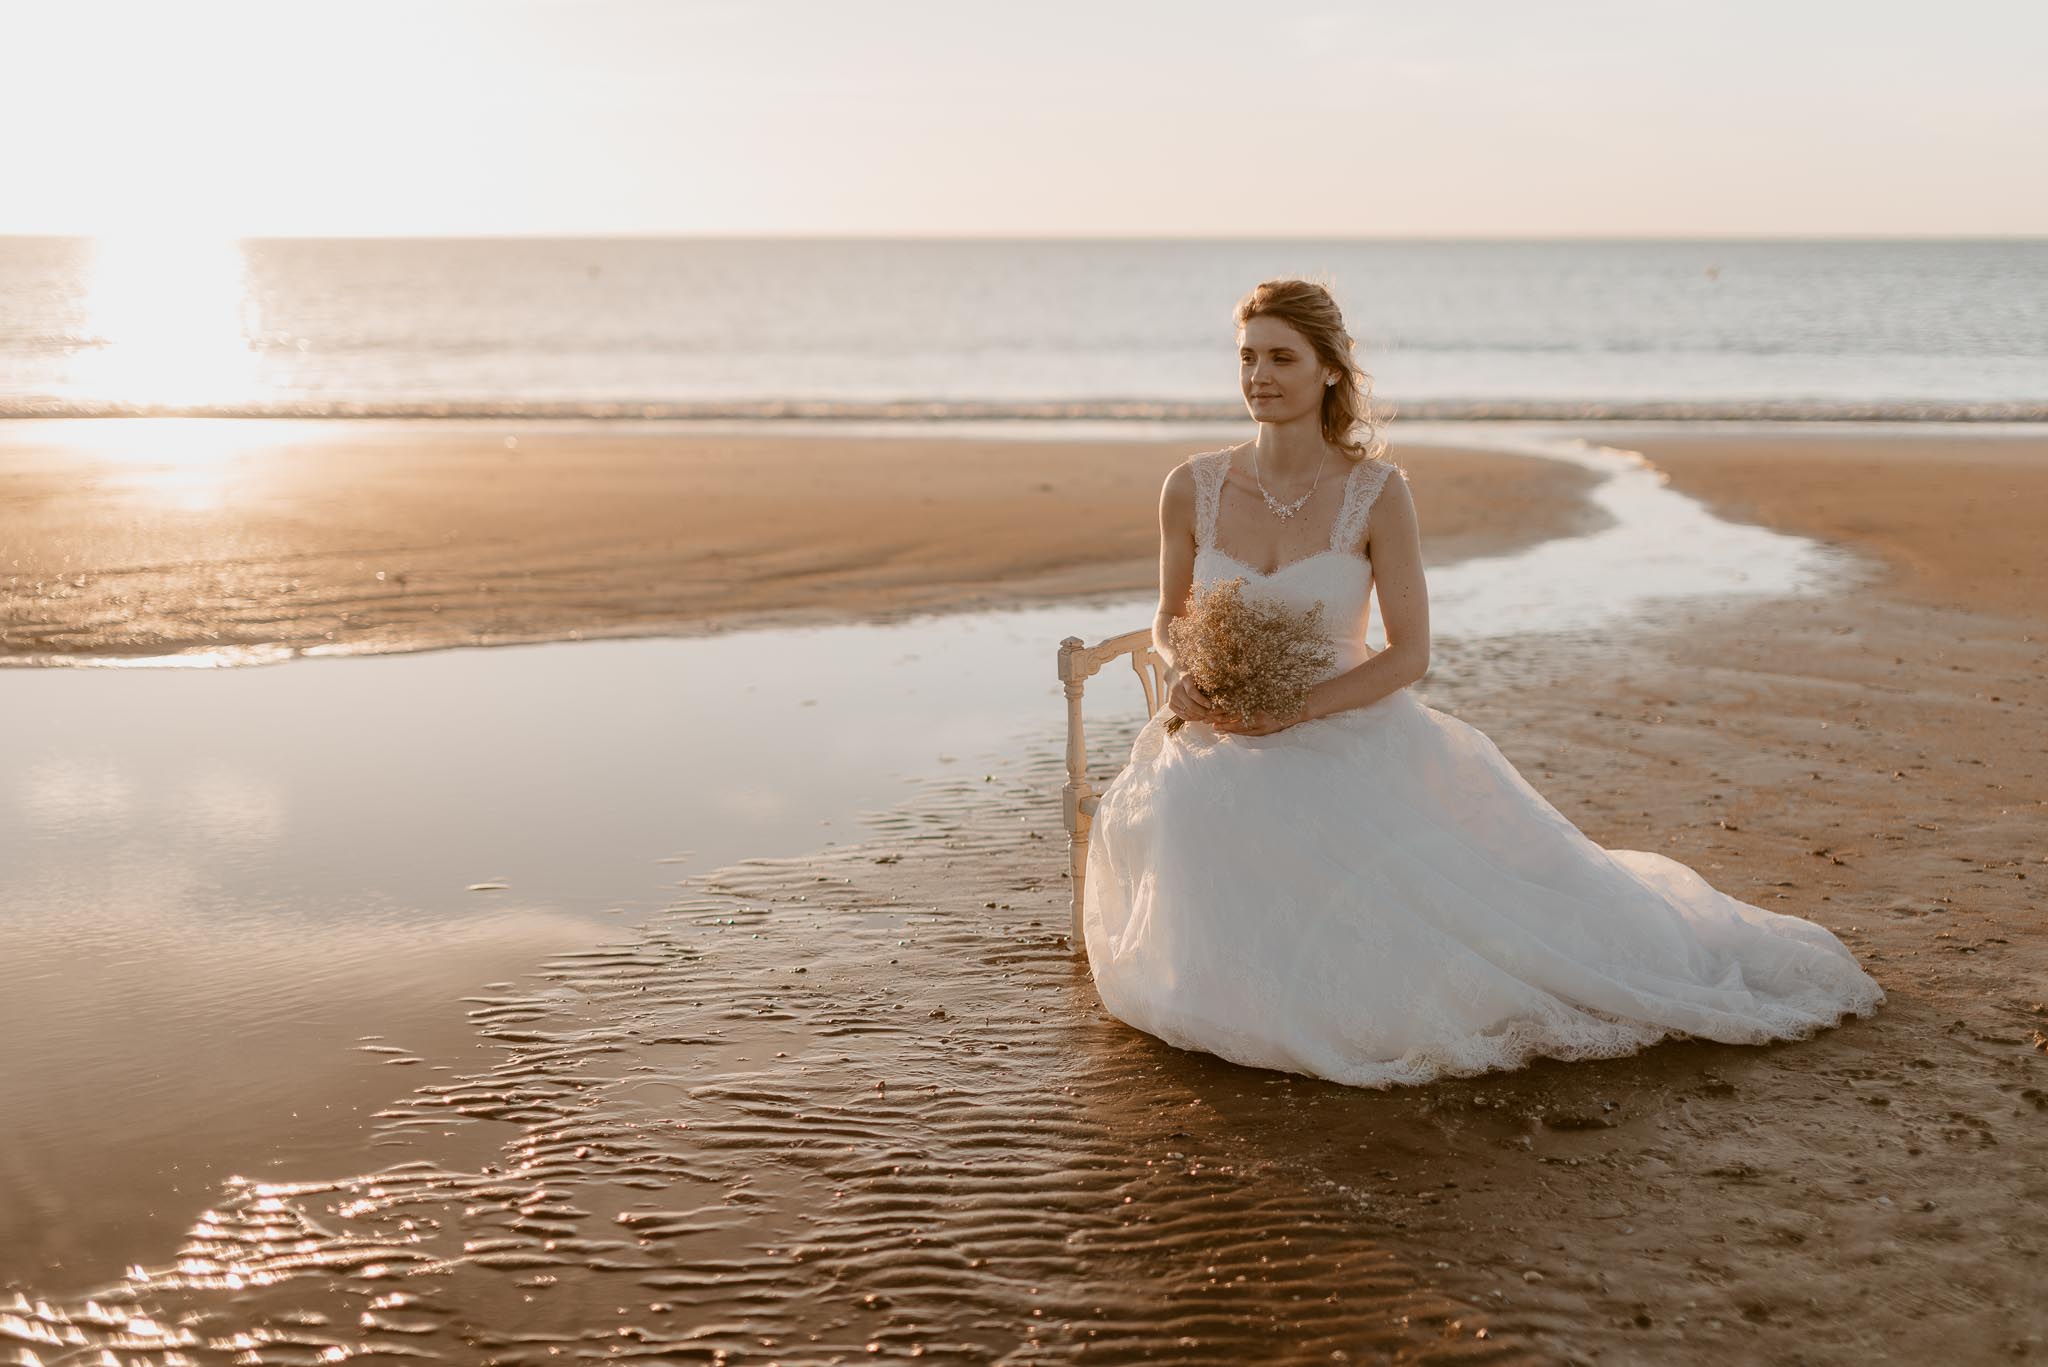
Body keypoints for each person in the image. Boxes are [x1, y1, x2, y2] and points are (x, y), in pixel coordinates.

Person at [1081, 278, 1884, 1088]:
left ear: (1329, 370)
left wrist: (1294, 709)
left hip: (1342, 724)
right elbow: (1165, 616)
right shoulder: (1192, 486)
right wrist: (1184, 671)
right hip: (1220, 729)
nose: (1259, 374)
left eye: (1282, 357)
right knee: (1190, 803)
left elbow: (1409, 653)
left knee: (1417, 889)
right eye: (1248, 356)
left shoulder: (1377, 495)